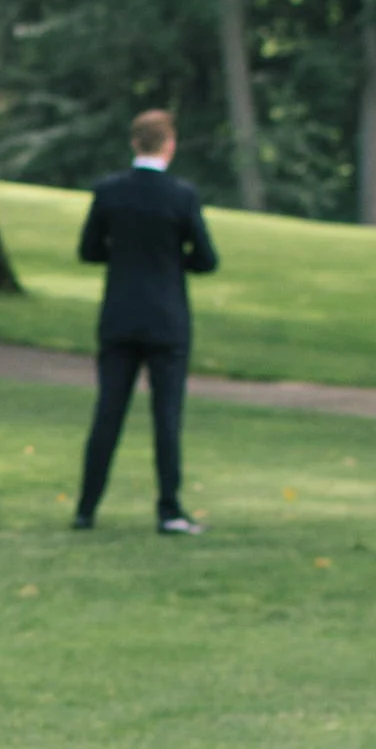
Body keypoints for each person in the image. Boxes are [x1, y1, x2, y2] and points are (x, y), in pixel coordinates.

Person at [72, 108, 219, 536]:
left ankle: (87, 507)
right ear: (169, 145)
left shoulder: (110, 192)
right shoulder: (181, 196)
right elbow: (206, 258)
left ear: (134, 143)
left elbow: (89, 250)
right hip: (166, 318)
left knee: (108, 413)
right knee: (166, 416)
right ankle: (168, 508)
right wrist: (176, 261)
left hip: (119, 314)